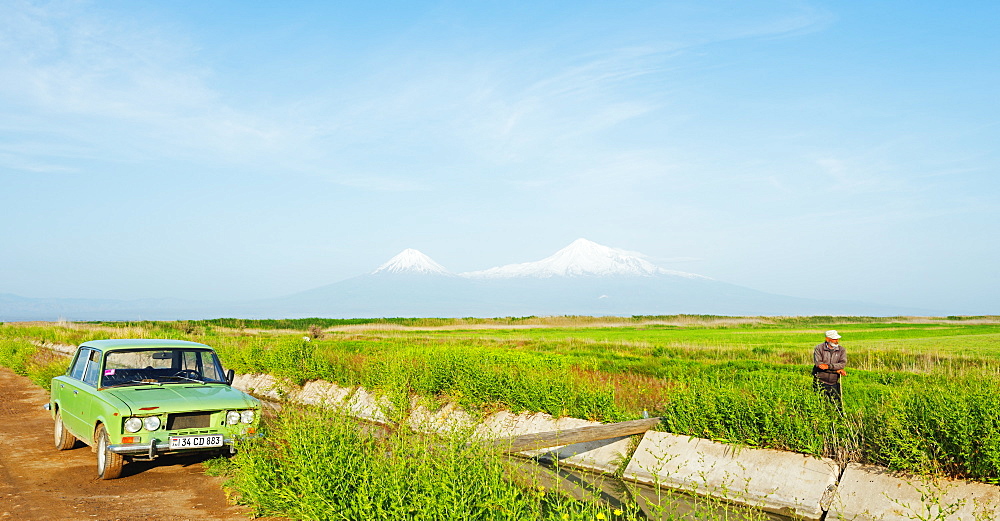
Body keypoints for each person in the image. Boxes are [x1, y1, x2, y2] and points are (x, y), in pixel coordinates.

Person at [812, 330, 847, 408]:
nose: (837, 341)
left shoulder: (841, 350)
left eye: (837, 339)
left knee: (837, 405)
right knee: (820, 404)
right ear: (827, 339)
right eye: (834, 339)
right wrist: (836, 370)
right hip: (820, 381)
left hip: (834, 382)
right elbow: (819, 365)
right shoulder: (819, 348)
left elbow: (842, 364)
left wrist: (829, 367)